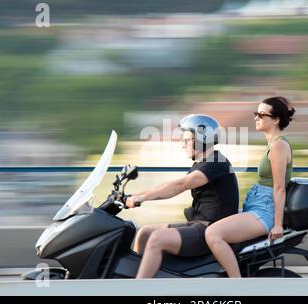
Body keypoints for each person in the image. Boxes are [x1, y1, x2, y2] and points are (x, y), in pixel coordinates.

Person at [125, 114, 239, 278]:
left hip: (210, 229)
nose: (183, 145)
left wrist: (141, 198)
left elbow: (181, 185)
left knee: (156, 238)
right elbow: (170, 186)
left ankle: (139, 289)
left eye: (186, 140)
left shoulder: (217, 163)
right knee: (144, 232)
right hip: (197, 224)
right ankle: (141, 275)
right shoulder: (201, 164)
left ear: (201, 140)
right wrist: (134, 196)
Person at [205, 96, 295, 278]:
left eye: (261, 115)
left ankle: (237, 286)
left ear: (276, 119)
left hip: (264, 211)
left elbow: (279, 188)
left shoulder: (278, 146)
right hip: (257, 206)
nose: (256, 118)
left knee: (213, 234)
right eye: (256, 113)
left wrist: (277, 224)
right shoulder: (273, 144)